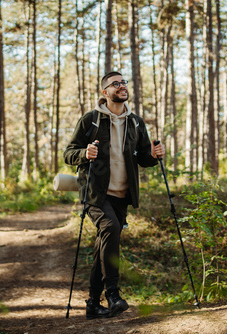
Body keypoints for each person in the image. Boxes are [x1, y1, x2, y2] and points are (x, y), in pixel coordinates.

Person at [64, 71, 165, 319]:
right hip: (96, 193)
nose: (122, 86)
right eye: (115, 84)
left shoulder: (136, 122)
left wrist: (154, 155)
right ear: (105, 92)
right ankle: (112, 294)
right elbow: (68, 153)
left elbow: (142, 158)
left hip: (122, 195)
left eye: (124, 82)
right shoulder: (91, 120)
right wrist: (83, 154)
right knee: (109, 227)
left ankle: (92, 304)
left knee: (104, 244)